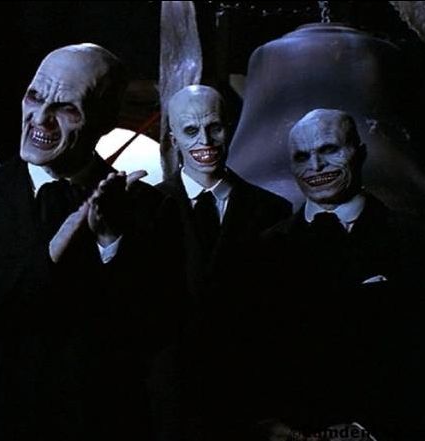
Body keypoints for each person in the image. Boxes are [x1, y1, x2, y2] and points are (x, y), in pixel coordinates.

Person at [0, 43, 183, 441]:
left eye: (66, 108)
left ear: (105, 120)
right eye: (34, 96)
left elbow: (156, 333)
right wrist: (52, 252)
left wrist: (111, 242)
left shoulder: (149, 208)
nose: (40, 118)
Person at [256, 108, 425, 440]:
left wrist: (368, 429)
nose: (315, 166)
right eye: (301, 156)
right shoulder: (265, 249)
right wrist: (271, 424)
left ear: (360, 152)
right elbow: (252, 349)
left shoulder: (417, 239)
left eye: (328, 149)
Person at [155, 85, 291, 440]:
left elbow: (280, 316)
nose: (205, 140)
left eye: (214, 127)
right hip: (169, 404)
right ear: (173, 139)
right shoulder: (144, 207)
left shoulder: (272, 210)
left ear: (229, 127)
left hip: (248, 402)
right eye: (191, 130)